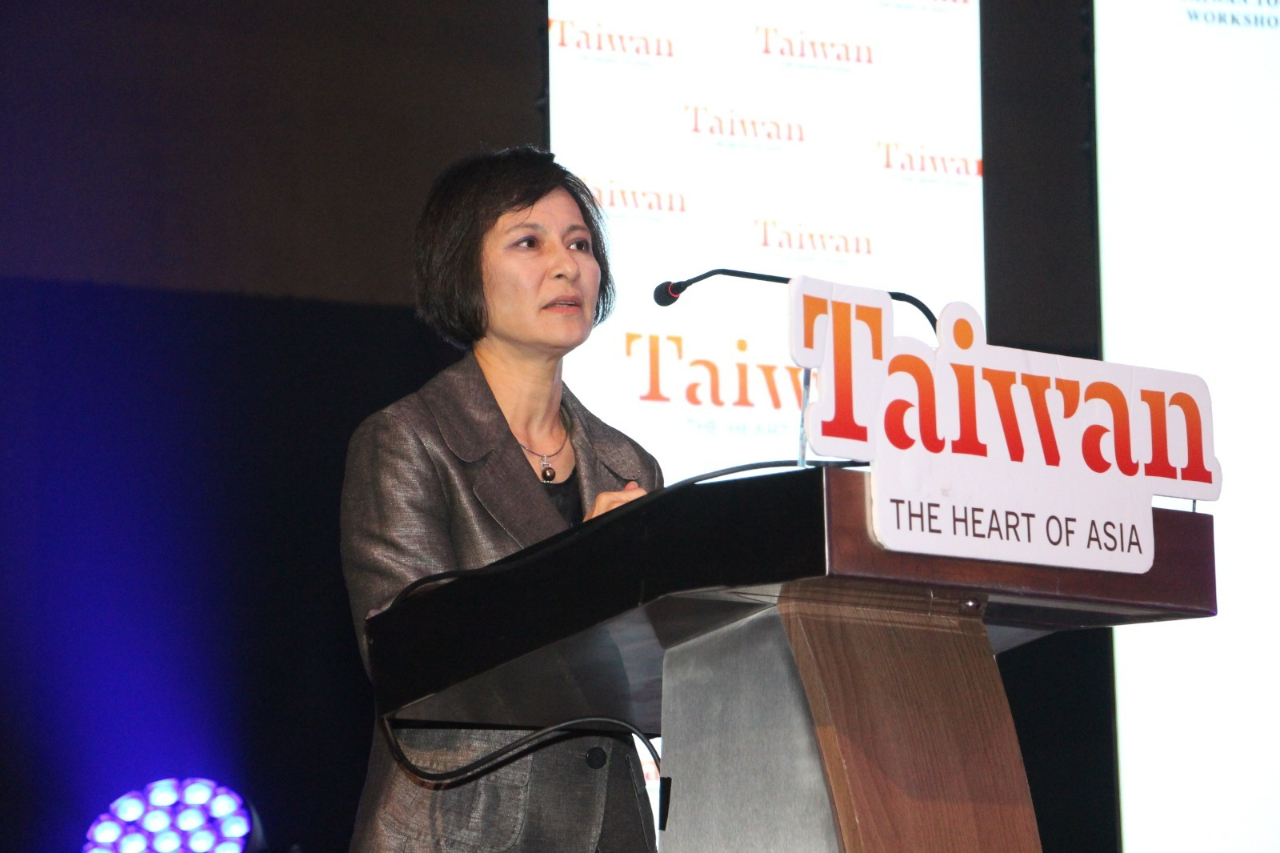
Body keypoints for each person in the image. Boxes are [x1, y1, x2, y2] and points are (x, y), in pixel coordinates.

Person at [341, 147, 662, 852]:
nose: (567, 265)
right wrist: (584, 568)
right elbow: (413, 661)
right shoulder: (407, 442)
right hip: (462, 829)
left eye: (580, 244)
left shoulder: (628, 464)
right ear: (464, 270)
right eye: (529, 242)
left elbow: (654, 670)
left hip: (608, 828)